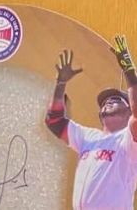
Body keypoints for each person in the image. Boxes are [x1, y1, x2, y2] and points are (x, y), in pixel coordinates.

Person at [45, 36, 137, 210]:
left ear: (129, 112)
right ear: (100, 115)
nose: (108, 101)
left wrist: (128, 69)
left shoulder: (129, 141)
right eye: (104, 102)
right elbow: (54, 121)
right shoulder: (87, 137)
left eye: (116, 99)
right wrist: (60, 83)